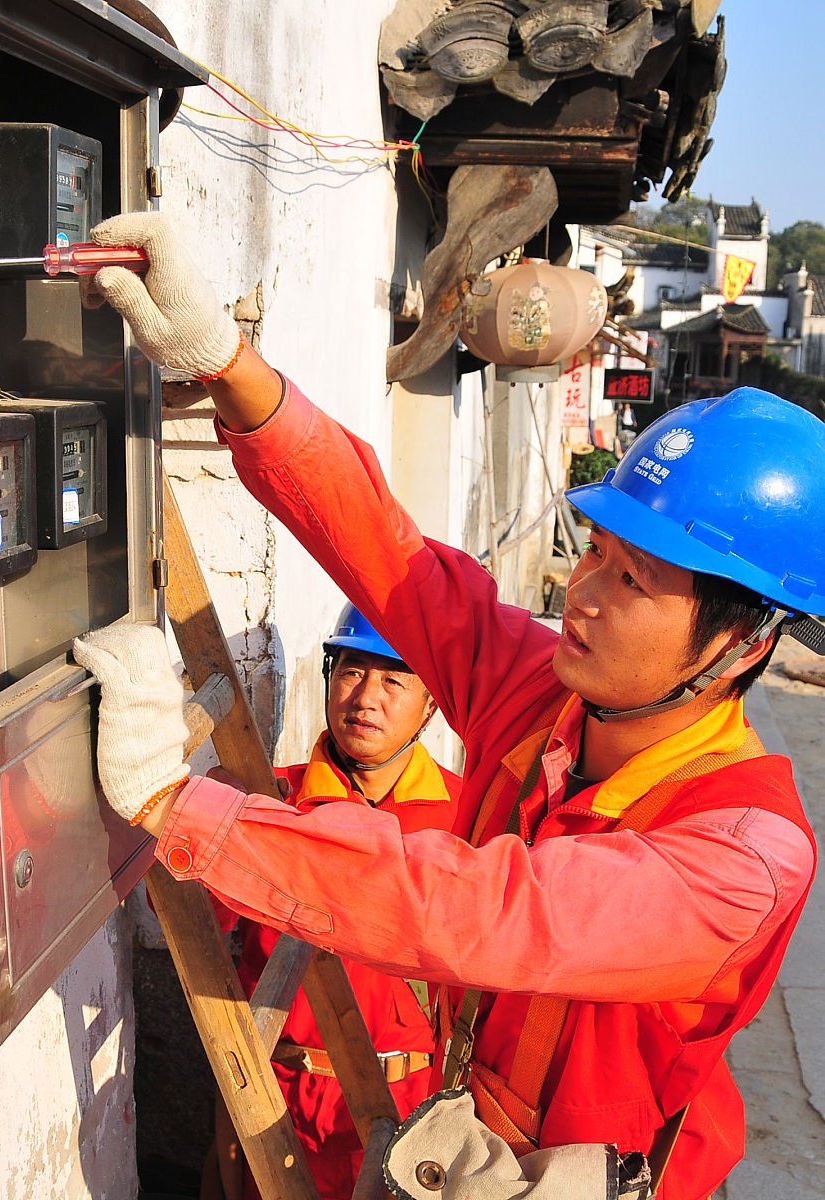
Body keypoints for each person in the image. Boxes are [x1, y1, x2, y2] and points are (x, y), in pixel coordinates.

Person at [74, 212, 822, 1200]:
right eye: (594, 551)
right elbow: (392, 558)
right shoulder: (548, 698)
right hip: (472, 1144)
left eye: (633, 581)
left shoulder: (743, 857)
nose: (583, 595)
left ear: (741, 642)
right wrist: (227, 363)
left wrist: (180, 807)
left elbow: (489, 912)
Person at [206, 604, 462, 1200]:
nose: (365, 698)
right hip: (274, 1100)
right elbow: (201, 918)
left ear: (430, 705)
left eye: (394, 680)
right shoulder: (271, 802)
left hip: (410, 1103)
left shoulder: (466, 818)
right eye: (350, 672)